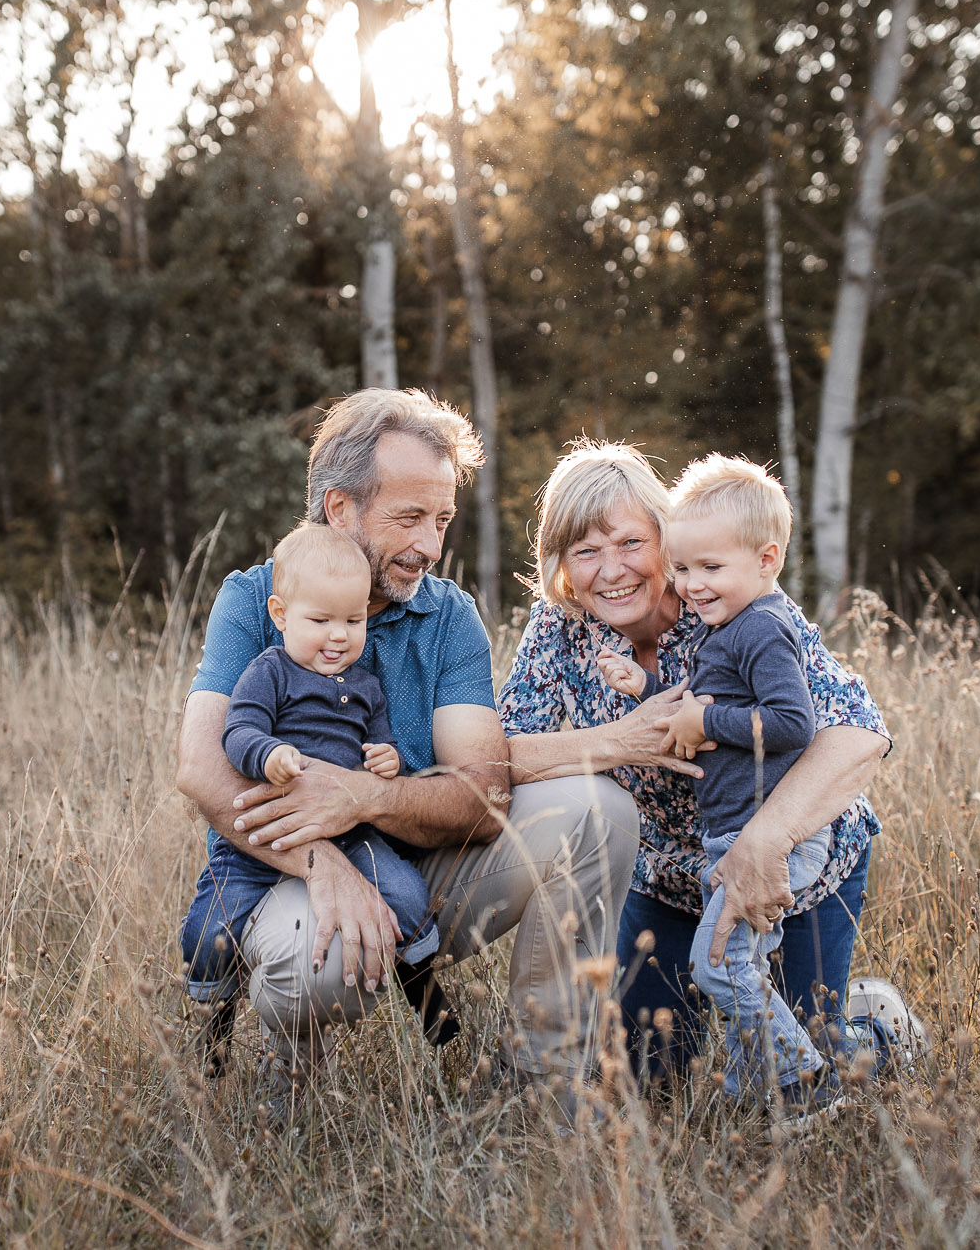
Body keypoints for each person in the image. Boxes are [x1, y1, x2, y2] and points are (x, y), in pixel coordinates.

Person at [174, 390, 638, 1118]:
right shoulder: (255, 598)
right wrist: (325, 864)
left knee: (599, 808)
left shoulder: (447, 613)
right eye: (409, 518)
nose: (430, 544)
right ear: (339, 507)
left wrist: (367, 797)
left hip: (423, 873)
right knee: (312, 962)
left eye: (443, 520)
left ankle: (546, 1083)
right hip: (285, 875)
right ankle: (292, 1082)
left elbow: (485, 795)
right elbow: (200, 767)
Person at [496, 440, 905, 1087]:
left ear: (666, 537)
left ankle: (879, 1032)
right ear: (563, 564)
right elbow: (503, 755)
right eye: (586, 551)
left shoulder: (729, 601)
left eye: (631, 542)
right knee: (648, 1076)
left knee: (805, 1063)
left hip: (785, 868)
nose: (611, 570)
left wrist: (764, 843)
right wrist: (618, 741)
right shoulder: (559, 628)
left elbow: (860, 731)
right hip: (670, 882)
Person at [598, 454, 844, 1133]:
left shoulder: (763, 625)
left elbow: (794, 723)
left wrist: (702, 720)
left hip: (766, 837)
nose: (691, 584)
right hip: (727, 834)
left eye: (710, 568)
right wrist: (644, 691)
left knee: (719, 966)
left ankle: (805, 1079)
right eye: (683, 568)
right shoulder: (723, 628)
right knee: (746, 965)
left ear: (767, 560)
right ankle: (746, 1094)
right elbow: (705, 709)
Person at [179, 522, 455, 1070]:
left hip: (350, 833)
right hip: (268, 832)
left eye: (352, 621)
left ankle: (422, 987)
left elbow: (380, 740)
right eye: (320, 621)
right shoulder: (269, 673)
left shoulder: (365, 684)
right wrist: (267, 755)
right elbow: (236, 732)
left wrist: (387, 759)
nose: (338, 636)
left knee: (403, 889)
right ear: (281, 616)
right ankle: (216, 1016)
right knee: (211, 925)